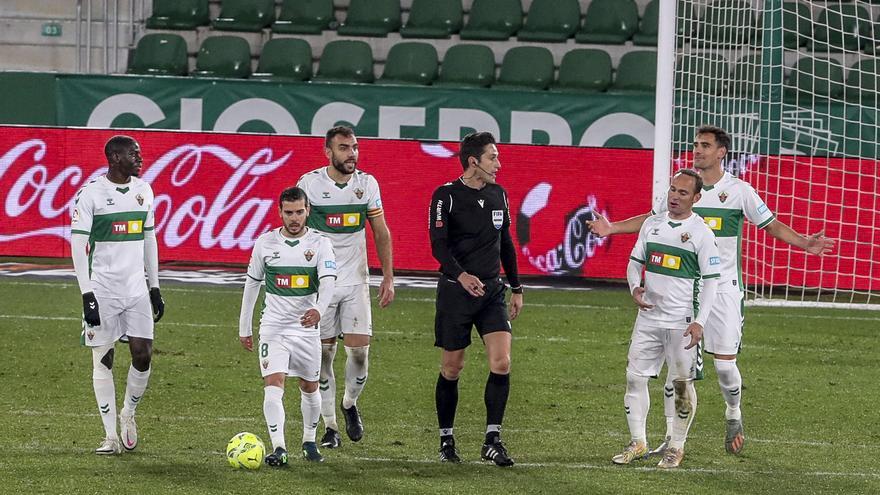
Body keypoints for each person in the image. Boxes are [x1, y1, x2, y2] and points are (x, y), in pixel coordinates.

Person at [589, 125, 835, 455]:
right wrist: (613, 228)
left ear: (722, 152)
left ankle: (733, 411)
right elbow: (652, 219)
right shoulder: (683, 188)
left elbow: (771, 224)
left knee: (723, 366)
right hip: (684, 293)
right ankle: (670, 438)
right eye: (696, 144)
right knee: (677, 370)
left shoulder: (739, 191)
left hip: (724, 291)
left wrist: (805, 243)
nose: (698, 150)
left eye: (705, 145)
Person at [612, 169, 720, 469]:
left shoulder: (702, 233)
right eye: (672, 190)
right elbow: (635, 264)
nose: (674, 196)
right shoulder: (652, 225)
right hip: (648, 317)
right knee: (634, 377)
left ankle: (676, 446)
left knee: (682, 384)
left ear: (696, 198)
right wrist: (635, 287)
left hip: (682, 321)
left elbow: (711, 282)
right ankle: (638, 442)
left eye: (683, 193)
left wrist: (700, 321)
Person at [428, 131, 524, 467]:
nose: (499, 164)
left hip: (492, 292)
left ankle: (492, 440)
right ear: (474, 162)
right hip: (456, 293)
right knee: (452, 368)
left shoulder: (499, 194)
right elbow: (438, 245)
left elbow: (506, 243)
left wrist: (516, 286)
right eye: (492, 157)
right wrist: (461, 275)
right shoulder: (445, 196)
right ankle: (446, 440)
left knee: (502, 362)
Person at [297, 126, 395, 449]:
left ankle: (349, 403)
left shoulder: (367, 185)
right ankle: (330, 427)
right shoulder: (309, 185)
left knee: (359, 355)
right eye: (343, 148)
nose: (351, 154)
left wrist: (388, 277)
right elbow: (296, 230)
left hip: (355, 281)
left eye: (354, 147)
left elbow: (381, 231)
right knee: (323, 354)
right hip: (321, 285)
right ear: (328, 152)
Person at [70, 135, 165, 455]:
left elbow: (150, 239)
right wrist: (87, 294)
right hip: (104, 290)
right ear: (114, 158)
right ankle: (110, 436)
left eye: (139, 153)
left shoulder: (144, 190)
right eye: (133, 154)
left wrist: (154, 287)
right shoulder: (91, 194)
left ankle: (129, 414)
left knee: (143, 355)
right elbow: (78, 246)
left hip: (136, 289)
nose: (139, 158)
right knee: (104, 358)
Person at [238, 186, 337, 464]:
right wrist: (244, 327)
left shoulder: (320, 244)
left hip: (306, 329)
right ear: (280, 212)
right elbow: (252, 285)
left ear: (308, 211)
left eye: (299, 212)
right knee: (274, 384)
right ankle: (279, 448)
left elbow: (328, 281)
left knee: (310, 386)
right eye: (289, 213)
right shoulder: (265, 243)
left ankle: (308, 441)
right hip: (274, 328)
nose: (294, 218)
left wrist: (319, 308)